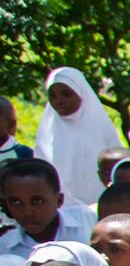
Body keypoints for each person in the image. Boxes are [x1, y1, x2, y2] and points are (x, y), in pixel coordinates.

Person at [35, 67, 121, 201]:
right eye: (52, 95)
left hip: (105, 204)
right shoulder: (47, 133)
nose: (58, 101)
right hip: (63, 208)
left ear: (81, 93)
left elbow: (118, 167)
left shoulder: (100, 126)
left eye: (66, 94)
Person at [0, 159, 91, 258]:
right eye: (16, 202)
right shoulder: (4, 249)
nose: (27, 212)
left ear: (59, 200)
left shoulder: (88, 221)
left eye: (37, 201)